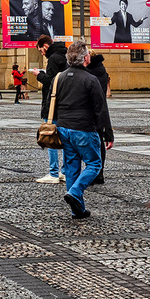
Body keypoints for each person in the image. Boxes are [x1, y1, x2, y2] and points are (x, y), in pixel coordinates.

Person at [50, 42, 114, 220]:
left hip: (64, 128)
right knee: (94, 164)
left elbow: (51, 104)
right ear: (86, 58)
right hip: (84, 128)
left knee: (71, 168)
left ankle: (77, 210)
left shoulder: (59, 77)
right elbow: (101, 109)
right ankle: (75, 192)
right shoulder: (91, 79)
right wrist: (108, 134)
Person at [31, 36, 67, 183]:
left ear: (45, 46)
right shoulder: (63, 56)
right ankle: (65, 171)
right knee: (64, 139)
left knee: (49, 136)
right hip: (63, 104)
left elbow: (51, 82)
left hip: (53, 105)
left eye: (41, 50)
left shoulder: (53, 59)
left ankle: (53, 173)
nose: (41, 53)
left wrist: (38, 75)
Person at [85, 52, 113, 185]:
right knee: (99, 141)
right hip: (99, 111)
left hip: (90, 111)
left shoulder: (90, 71)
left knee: (91, 143)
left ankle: (93, 172)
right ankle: (99, 173)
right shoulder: (100, 68)